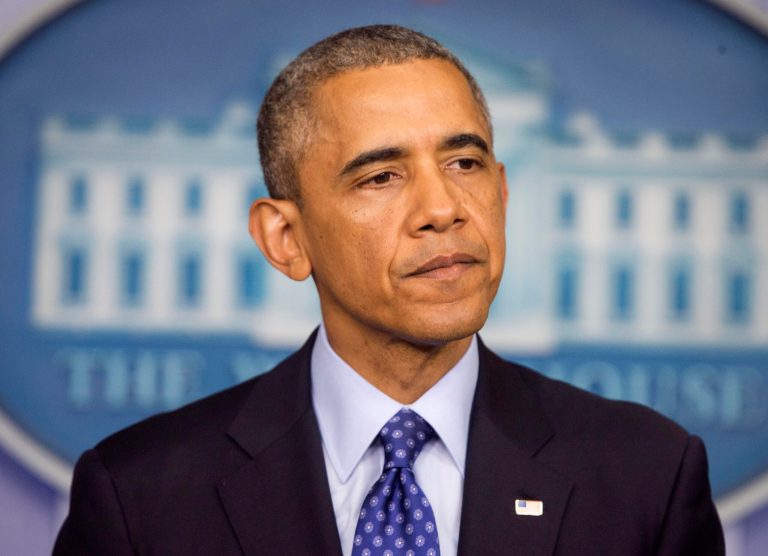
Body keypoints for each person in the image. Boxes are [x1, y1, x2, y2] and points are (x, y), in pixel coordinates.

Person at [54, 24, 724, 555]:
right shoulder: (139, 496)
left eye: (465, 163)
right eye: (380, 177)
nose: (444, 208)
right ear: (286, 239)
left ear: (503, 192)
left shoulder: (647, 475)